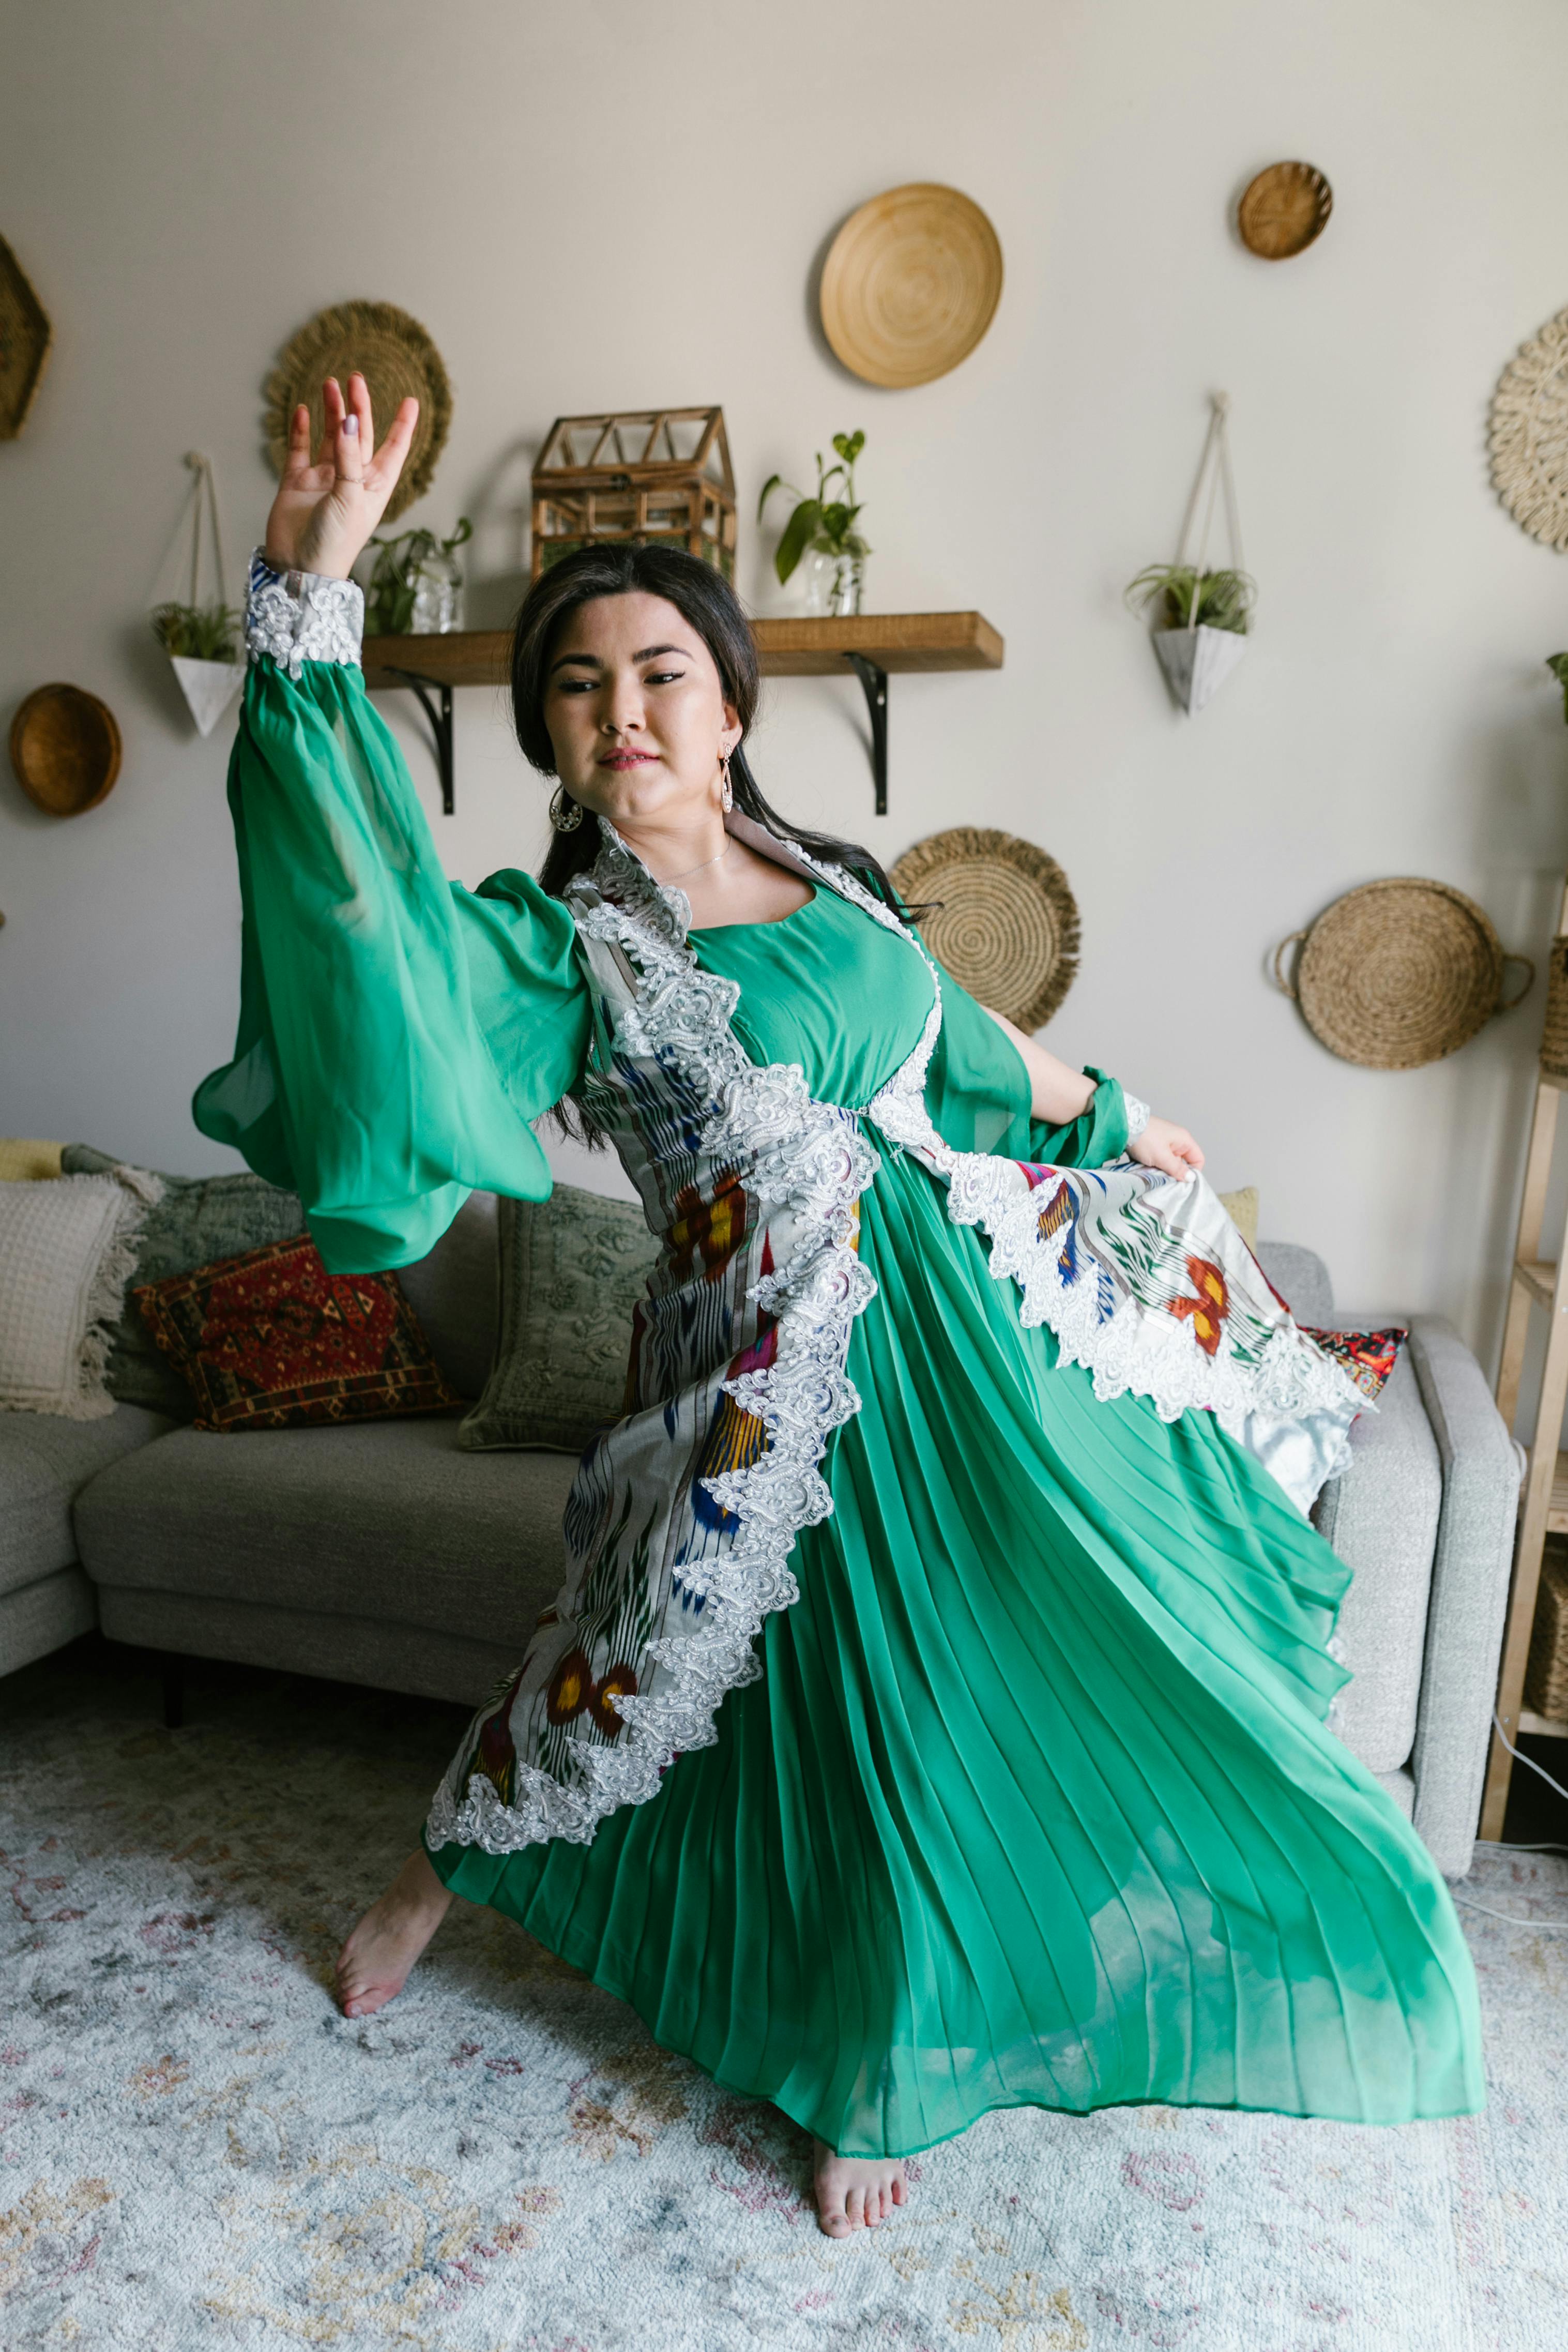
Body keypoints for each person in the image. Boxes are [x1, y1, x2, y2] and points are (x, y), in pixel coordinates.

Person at [196, 372, 1485, 2241]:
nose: (620, 709)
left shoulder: (840, 888)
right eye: (576, 687)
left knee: (946, 1699)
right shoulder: (560, 952)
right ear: (552, 743)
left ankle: (885, 2049)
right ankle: (434, 1879)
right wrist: (308, 589)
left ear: (728, 711)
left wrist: (1120, 1114)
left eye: (657, 675)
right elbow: (350, 915)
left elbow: (962, 1046)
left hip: (960, 1345)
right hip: (753, 1379)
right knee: (619, 1666)